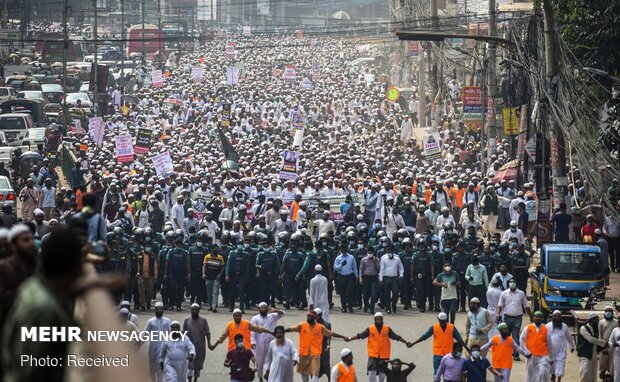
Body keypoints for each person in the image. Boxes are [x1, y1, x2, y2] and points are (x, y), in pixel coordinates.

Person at [346, 312, 412, 382]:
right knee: (371, 373)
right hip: (373, 355)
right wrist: (350, 338)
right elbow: (360, 336)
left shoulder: (387, 328)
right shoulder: (370, 329)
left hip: (384, 355)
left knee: (382, 375)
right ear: (375, 320)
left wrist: (405, 342)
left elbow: (396, 337)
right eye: (378, 319)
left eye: (381, 319)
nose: (379, 321)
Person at [286, 310, 347, 382]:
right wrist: (282, 331)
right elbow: (292, 329)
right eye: (308, 316)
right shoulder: (302, 326)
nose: (308, 318)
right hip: (303, 353)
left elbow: (331, 333)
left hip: (315, 354)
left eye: (310, 317)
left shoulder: (320, 327)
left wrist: (343, 336)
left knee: (315, 374)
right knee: (304, 375)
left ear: (314, 318)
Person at [496, 278, 532, 360]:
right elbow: (500, 305)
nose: (512, 283)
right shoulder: (504, 293)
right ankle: (505, 353)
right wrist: (498, 314)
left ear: (516, 283)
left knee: (515, 336)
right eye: (511, 282)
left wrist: (531, 316)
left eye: (514, 282)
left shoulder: (521, 293)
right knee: (505, 336)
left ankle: (515, 354)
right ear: (509, 283)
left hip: (517, 317)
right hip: (507, 317)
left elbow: (526, 306)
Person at [251, 302, 285, 381]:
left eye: (265, 307)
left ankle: (268, 374)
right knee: (259, 360)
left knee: (270, 359)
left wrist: (275, 310)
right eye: (262, 308)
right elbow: (252, 331)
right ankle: (260, 377)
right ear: (259, 309)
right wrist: (253, 342)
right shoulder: (255, 318)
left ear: (267, 308)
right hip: (259, 342)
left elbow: (283, 313)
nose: (263, 309)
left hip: (271, 342)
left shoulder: (272, 316)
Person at [520, 310, 554, 382]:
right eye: (536, 317)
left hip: (543, 356)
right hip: (531, 355)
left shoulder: (545, 329)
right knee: (530, 375)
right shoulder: (528, 328)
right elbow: (521, 340)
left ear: (542, 319)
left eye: (539, 317)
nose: (538, 318)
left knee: (543, 372)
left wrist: (551, 357)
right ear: (533, 318)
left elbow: (550, 344)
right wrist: (526, 352)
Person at [183, 303, 212, 382]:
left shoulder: (203, 321)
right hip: (189, 345)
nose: (194, 311)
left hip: (200, 345)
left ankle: (195, 378)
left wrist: (209, 343)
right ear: (191, 310)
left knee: (198, 364)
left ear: (199, 310)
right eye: (193, 309)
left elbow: (208, 332)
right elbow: (183, 333)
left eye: (196, 309)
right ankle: (189, 379)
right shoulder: (187, 321)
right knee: (189, 364)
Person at [145, 301, 172, 382]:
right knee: (151, 366)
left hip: (162, 347)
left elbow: (171, 334)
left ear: (163, 310)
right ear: (155, 310)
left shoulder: (167, 321)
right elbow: (144, 334)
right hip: (152, 347)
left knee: (160, 366)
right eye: (157, 309)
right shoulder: (150, 321)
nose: (159, 311)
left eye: (160, 309)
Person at [578, 312, 608, 382]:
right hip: (584, 353)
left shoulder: (596, 329)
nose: (597, 322)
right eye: (596, 320)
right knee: (585, 371)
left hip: (593, 353)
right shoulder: (583, 328)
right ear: (591, 320)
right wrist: (603, 343)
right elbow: (590, 339)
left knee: (593, 372)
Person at [546, 310, 575, 382]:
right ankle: (553, 377)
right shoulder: (548, 326)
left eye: (558, 316)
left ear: (561, 317)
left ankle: (559, 379)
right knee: (551, 367)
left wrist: (572, 346)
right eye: (555, 316)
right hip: (550, 351)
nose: (557, 318)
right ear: (552, 317)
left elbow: (569, 337)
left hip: (561, 351)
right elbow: (544, 337)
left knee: (560, 366)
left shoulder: (564, 327)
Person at [379, 244, 404, 314]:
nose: (389, 253)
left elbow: (401, 268)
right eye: (388, 251)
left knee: (395, 292)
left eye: (390, 251)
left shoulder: (397, 259)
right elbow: (381, 269)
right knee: (386, 294)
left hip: (394, 278)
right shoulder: (383, 259)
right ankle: (388, 308)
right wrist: (380, 279)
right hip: (386, 278)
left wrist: (401, 275)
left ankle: (393, 303)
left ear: (393, 251)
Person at [333, 242, 358, 313]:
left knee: (349, 292)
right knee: (342, 293)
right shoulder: (338, 258)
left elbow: (355, 267)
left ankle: (350, 307)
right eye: (342, 249)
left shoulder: (351, 257)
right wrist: (341, 265)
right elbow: (335, 268)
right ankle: (344, 307)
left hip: (349, 276)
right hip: (341, 277)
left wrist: (356, 276)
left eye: (345, 249)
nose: (343, 251)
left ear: (347, 249)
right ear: (340, 250)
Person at [600, 306, 618, 379]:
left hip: (613, 345)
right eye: (606, 312)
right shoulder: (601, 322)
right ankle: (603, 372)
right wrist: (601, 345)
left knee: (612, 362)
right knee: (603, 361)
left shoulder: (616, 322)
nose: (608, 313)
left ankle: (612, 376)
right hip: (604, 344)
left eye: (609, 312)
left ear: (612, 313)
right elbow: (599, 334)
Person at [607, 316, 620, 382]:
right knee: (617, 374)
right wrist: (613, 345)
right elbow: (610, 341)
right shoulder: (615, 330)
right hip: (618, 354)